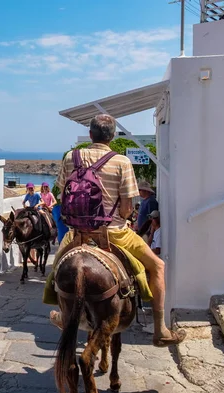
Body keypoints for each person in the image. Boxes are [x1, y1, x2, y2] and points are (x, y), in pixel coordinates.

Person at [47, 114, 186, 348]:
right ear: (112, 137)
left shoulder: (72, 157)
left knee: (57, 268)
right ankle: (160, 329)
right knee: (158, 267)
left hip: (78, 233)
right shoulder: (121, 162)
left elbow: (62, 196)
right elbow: (126, 207)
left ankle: (63, 315)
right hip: (115, 233)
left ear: (90, 135)